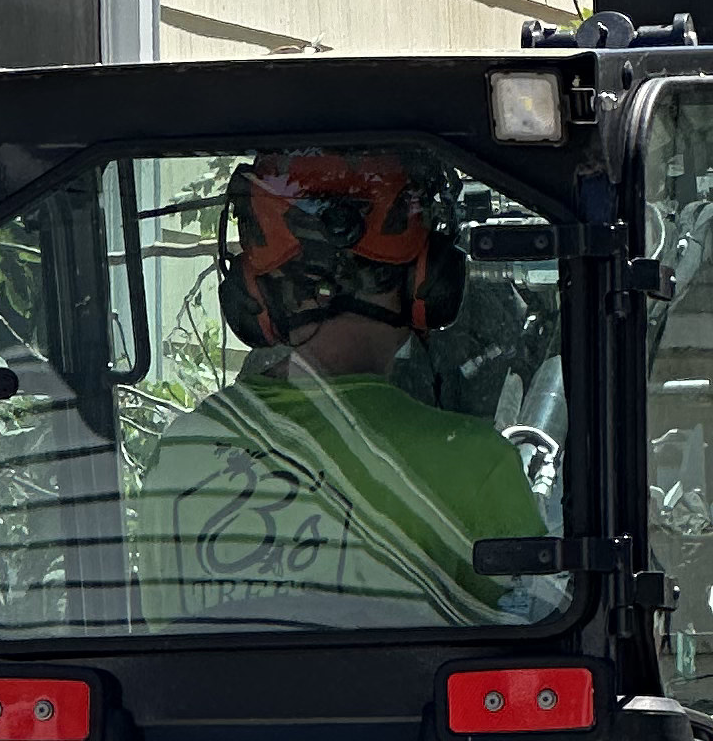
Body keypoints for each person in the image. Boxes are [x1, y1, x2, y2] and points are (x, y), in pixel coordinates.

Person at [134, 148, 541, 626]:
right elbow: (533, 649)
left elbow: (166, 641)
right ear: (428, 281)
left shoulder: (185, 452)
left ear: (253, 291)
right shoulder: (479, 465)